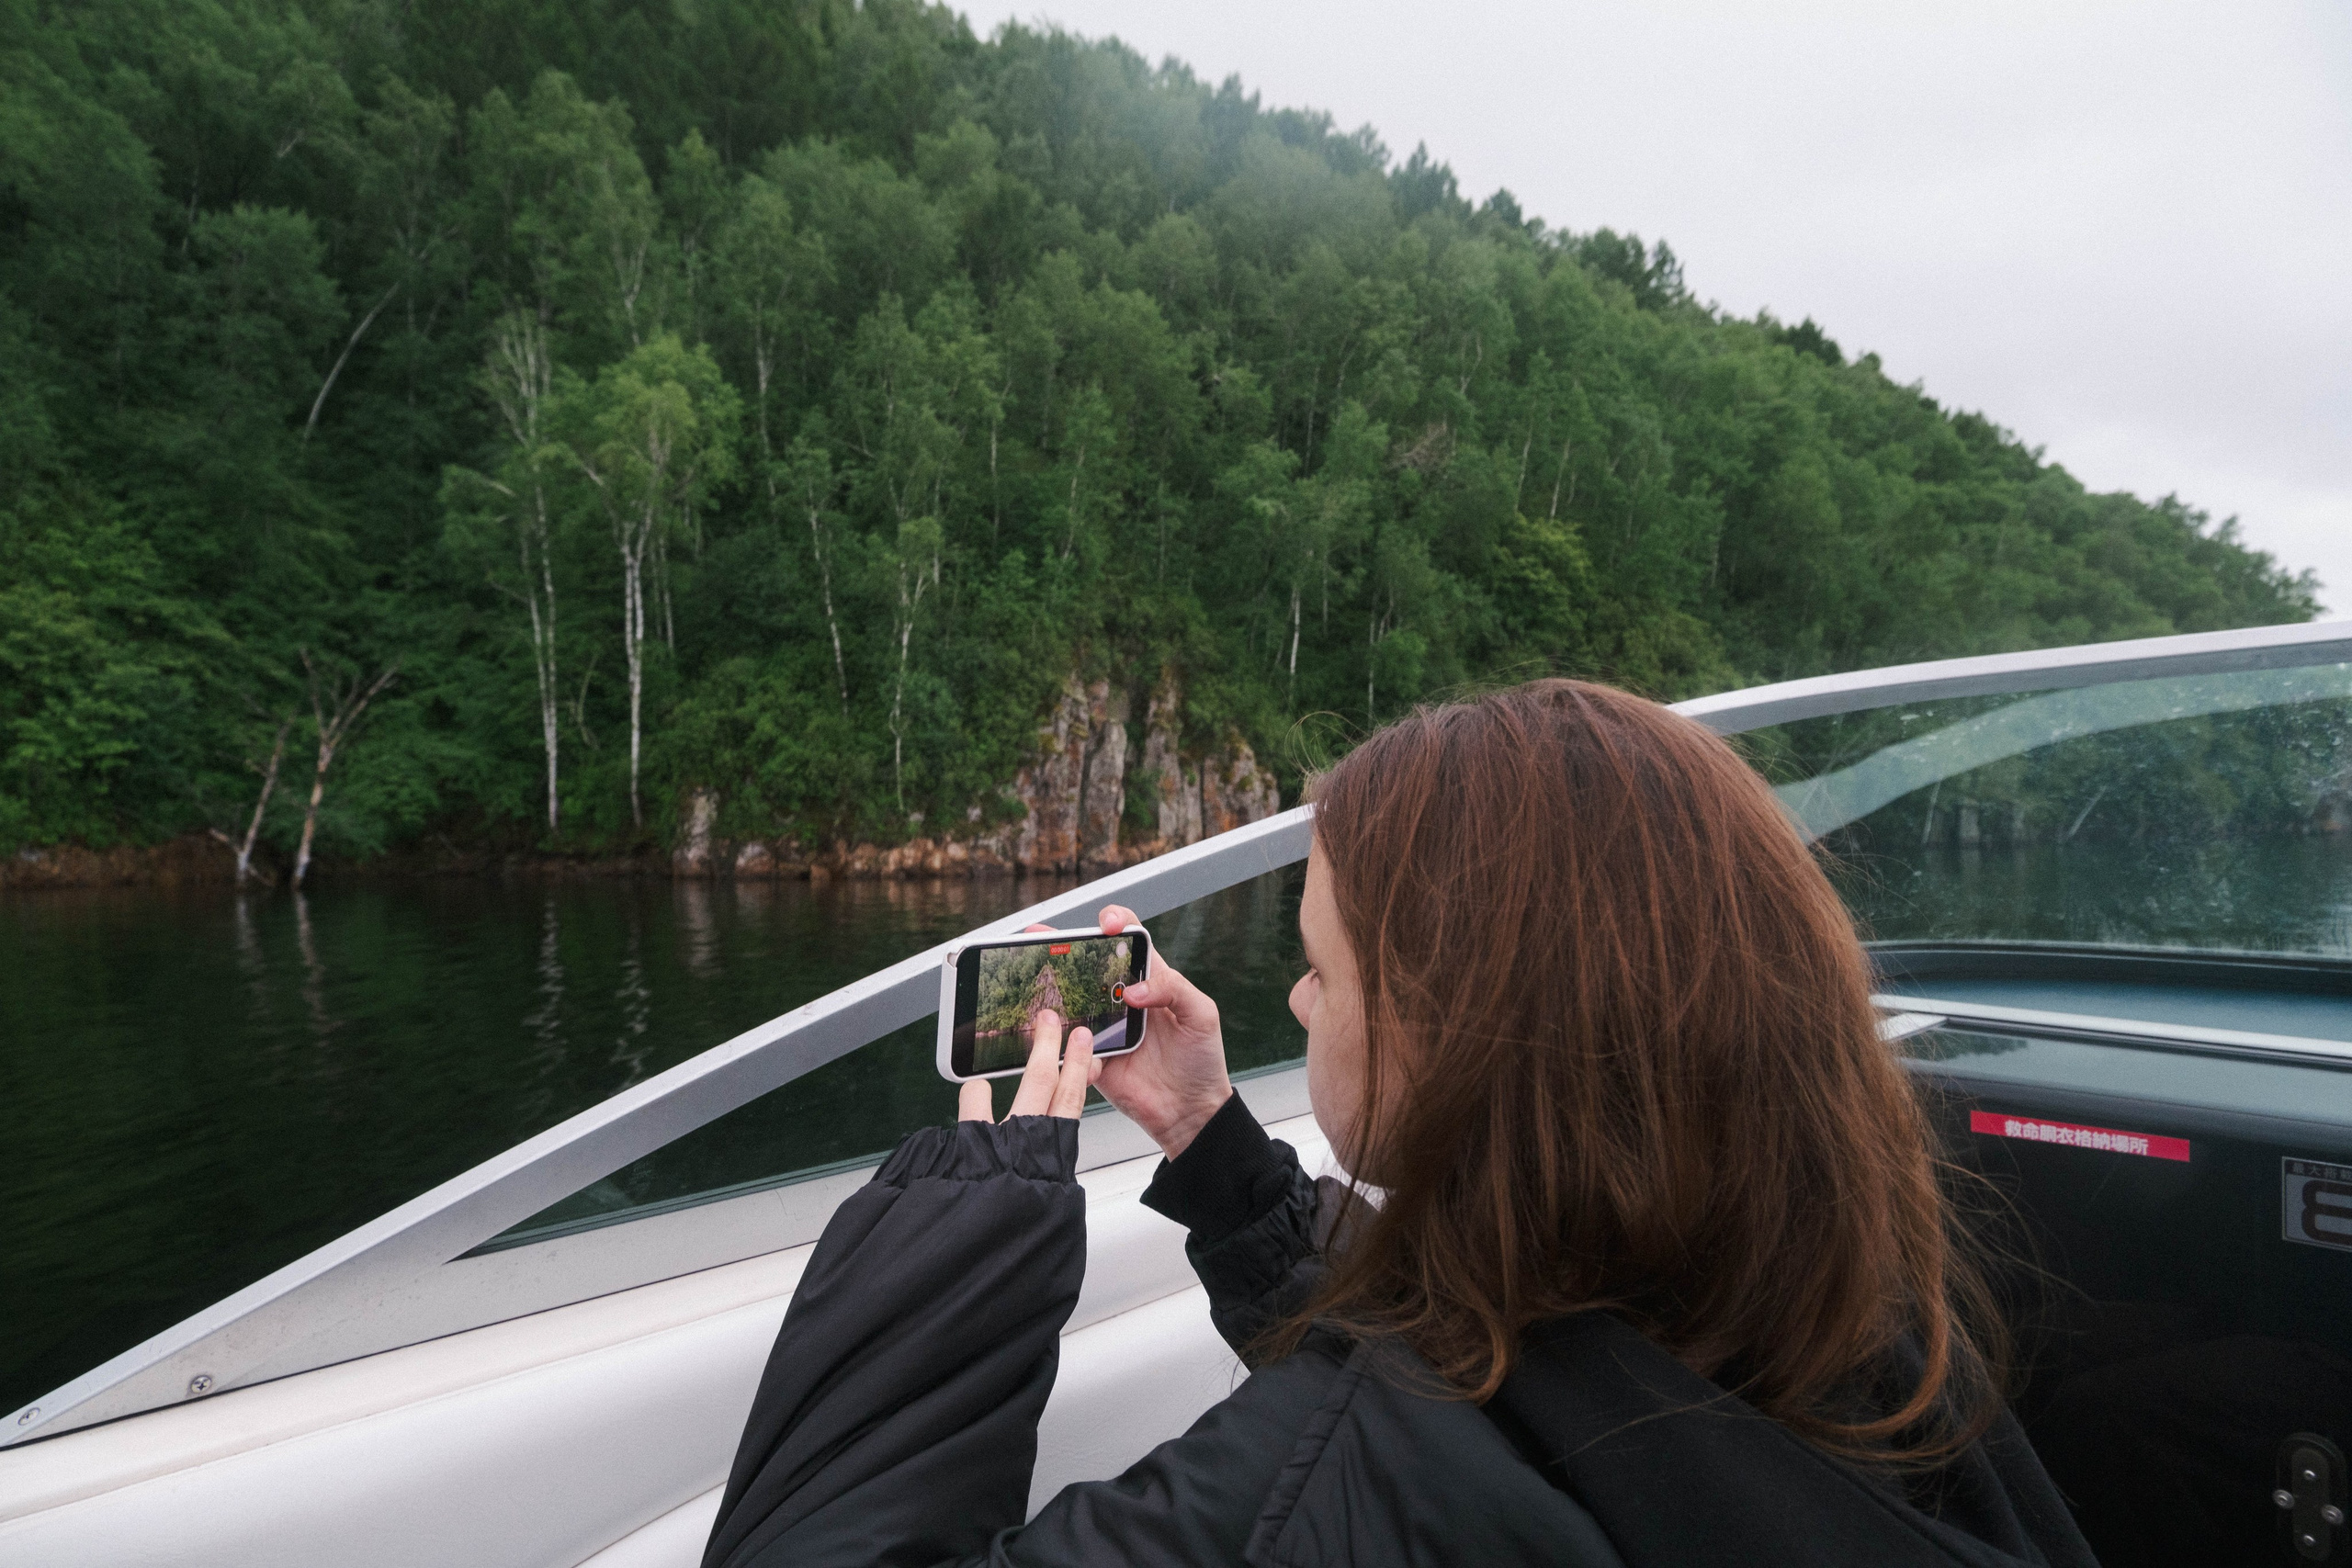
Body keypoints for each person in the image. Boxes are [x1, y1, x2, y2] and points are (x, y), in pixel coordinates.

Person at [700, 680, 2099, 1568]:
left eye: (1321, 965)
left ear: (1455, 1035)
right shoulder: (1867, 1343)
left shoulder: (1331, 1489)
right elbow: (1508, 1377)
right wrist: (1221, 1158)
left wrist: (968, 1208)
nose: (1298, 1004)